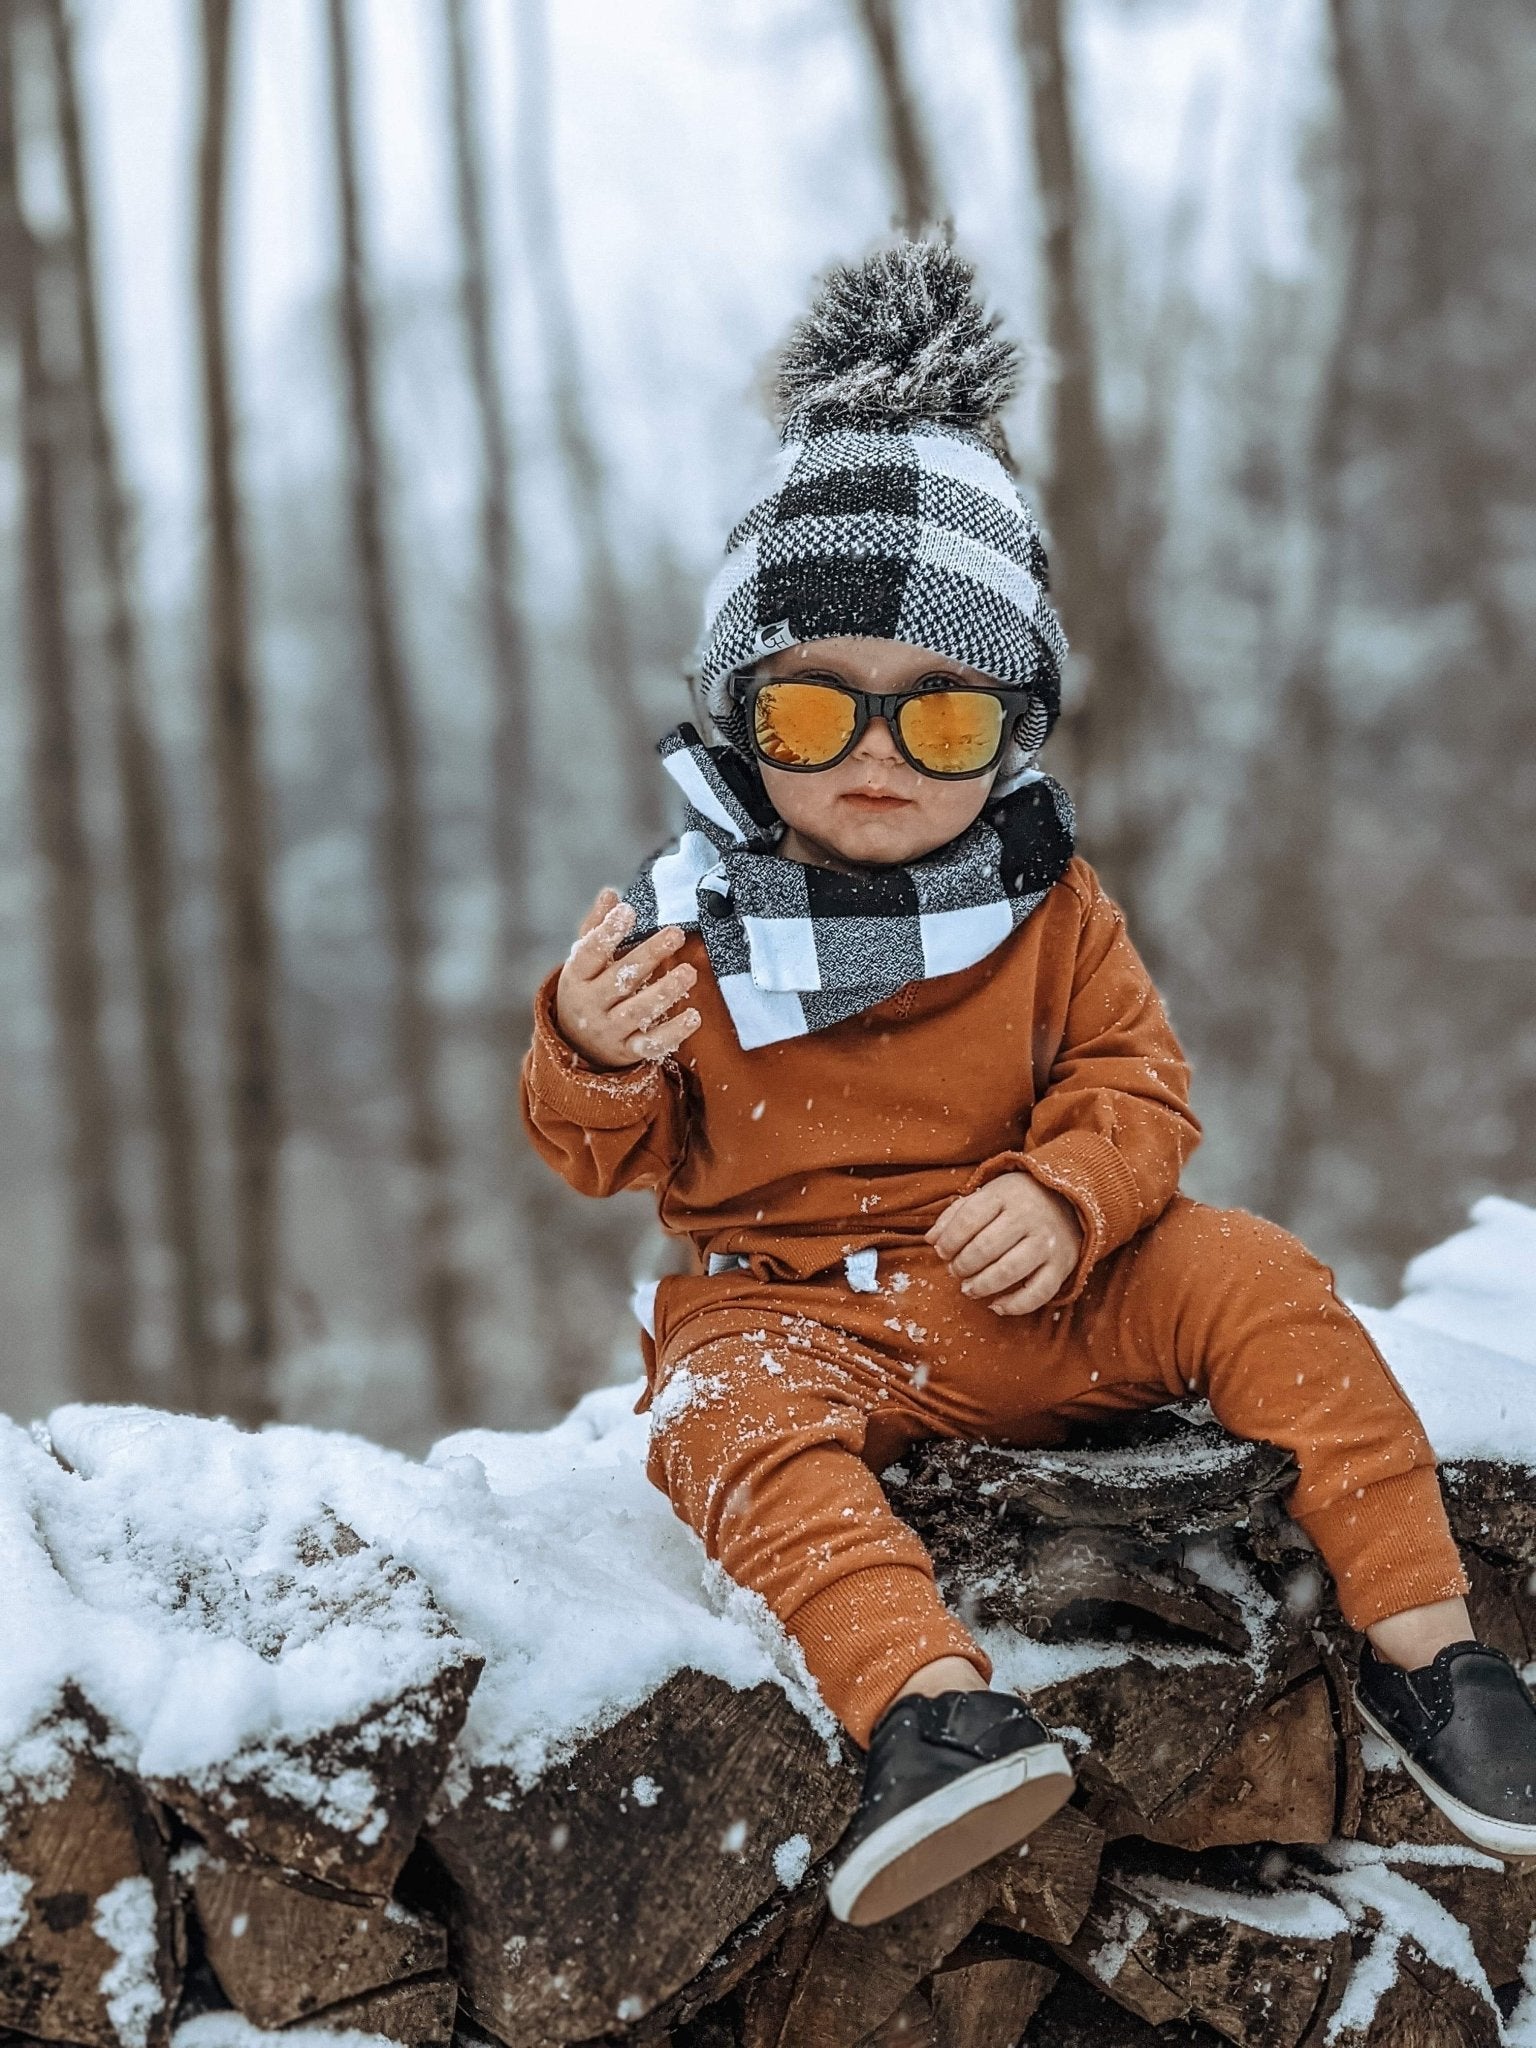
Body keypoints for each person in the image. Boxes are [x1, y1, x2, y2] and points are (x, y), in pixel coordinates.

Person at [521, 238, 1536, 1927]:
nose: (869, 759)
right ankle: (931, 1709)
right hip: (794, 1313)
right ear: (739, 713)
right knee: (714, 1418)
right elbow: (595, 1152)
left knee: (1260, 1274)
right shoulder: (688, 923)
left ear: (1014, 734)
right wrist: (590, 1046)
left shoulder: (1045, 904)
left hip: (1049, 1298)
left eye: (935, 723)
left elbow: (1142, 1085)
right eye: (813, 710)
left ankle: (1438, 1654)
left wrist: (1071, 1190)